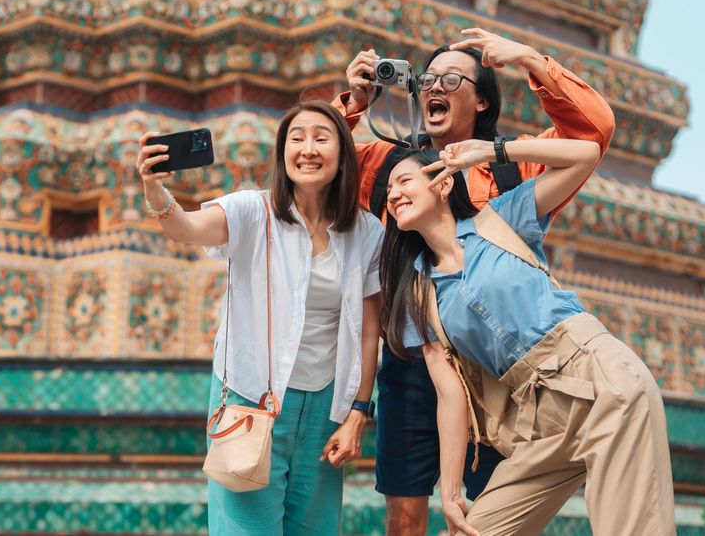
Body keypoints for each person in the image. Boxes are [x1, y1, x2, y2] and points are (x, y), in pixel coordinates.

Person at [332, 27, 616, 535]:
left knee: (484, 516)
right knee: (404, 517)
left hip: (495, 367)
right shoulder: (391, 165)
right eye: (428, 78)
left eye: (452, 79)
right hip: (417, 358)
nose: (434, 86)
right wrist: (353, 104)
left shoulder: (512, 167)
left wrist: (529, 59)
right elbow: (319, 160)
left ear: (482, 99)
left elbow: (592, 133)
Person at [380, 141, 676, 536]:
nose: (394, 193)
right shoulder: (419, 292)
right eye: (388, 190)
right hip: (535, 420)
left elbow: (586, 155)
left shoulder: (502, 220)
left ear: (443, 184)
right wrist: (449, 492)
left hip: (598, 377)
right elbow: (449, 394)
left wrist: (487, 152)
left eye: (404, 181)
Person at [135, 100, 384, 536]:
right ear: (282, 153)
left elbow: (368, 330)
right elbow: (188, 228)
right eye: (297, 138)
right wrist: (156, 191)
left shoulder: (366, 231)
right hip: (252, 399)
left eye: (322, 138)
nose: (308, 148)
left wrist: (358, 411)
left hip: (326, 408)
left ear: (343, 154)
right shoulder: (253, 211)